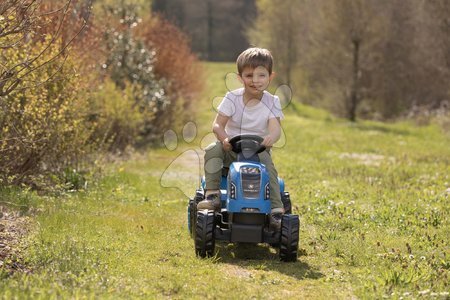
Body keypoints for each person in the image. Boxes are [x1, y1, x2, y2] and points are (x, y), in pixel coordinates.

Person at [198, 47, 284, 230]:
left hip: (258, 151)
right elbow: (217, 125)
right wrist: (224, 139)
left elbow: (275, 128)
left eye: (261, 75)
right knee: (212, 149)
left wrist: (271, 137)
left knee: (270, 169)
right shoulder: (232, 98)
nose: (255, 81)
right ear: (240, 78)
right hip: (232, 150)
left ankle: (276, 209)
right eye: (249, 75)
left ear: (270, 76)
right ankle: (212, 195)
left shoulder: (272, 101)